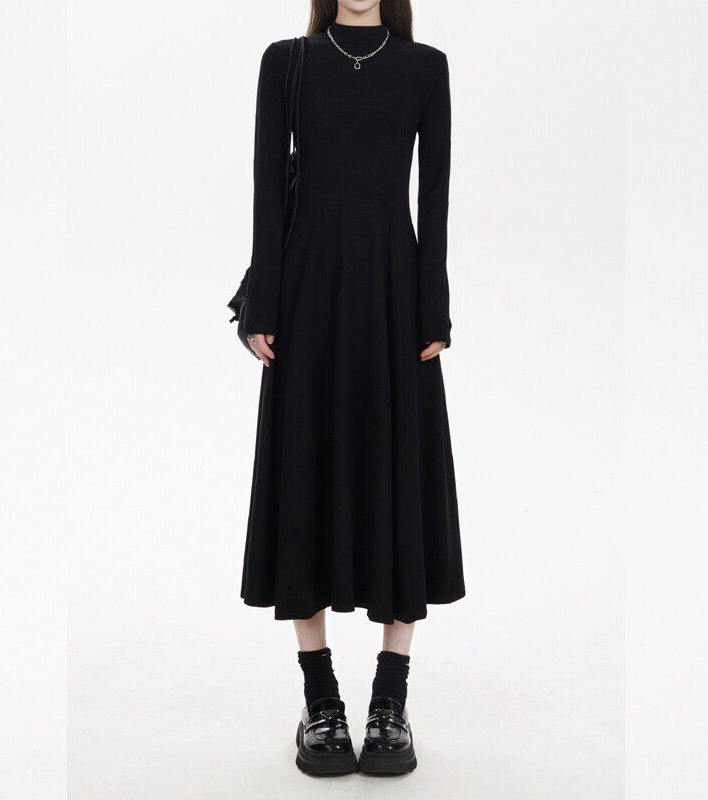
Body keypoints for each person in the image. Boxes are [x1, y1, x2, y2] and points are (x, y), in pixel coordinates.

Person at [239, 0, 465, 775]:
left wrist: (433, 306)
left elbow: (434, 195)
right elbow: (267, 186)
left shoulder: (425, 67)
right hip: (307, 290)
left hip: (394, 293)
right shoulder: (287, 62)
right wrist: (263, 303)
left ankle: (390, 702)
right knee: (306, 475)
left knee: (396, 476)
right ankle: (321, 699)